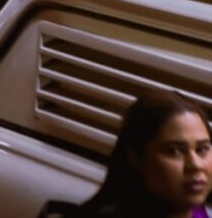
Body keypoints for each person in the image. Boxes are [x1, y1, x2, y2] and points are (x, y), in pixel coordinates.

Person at [43, 91, 212, 218]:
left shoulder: (197, 211)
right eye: (174, 151)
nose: (196, 165)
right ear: (137, 159)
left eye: (202, 149)